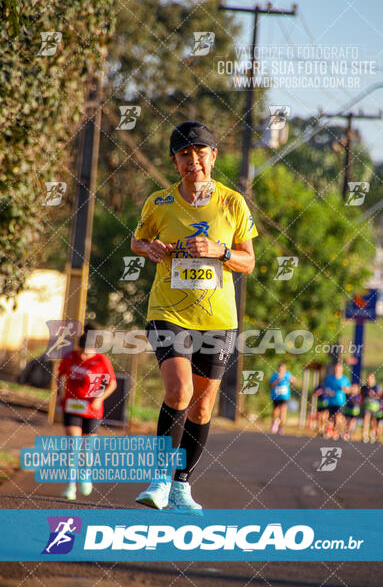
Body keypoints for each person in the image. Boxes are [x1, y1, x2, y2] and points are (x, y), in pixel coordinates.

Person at [131, 121, 258, 510]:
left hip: (218, 318)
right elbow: (138, 240)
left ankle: (181, 486)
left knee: (203, 407)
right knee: (180, 391)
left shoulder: (233, 202)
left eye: (200, 153)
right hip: (168, 311)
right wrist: (148, 249)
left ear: (213, 156)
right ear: (174, 161)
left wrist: (219, 252)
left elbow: (248, 262)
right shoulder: (160, 202)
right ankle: (159, 480)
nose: (193, 161)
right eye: (184, 154)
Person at [57, 323, 117, 500]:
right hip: (72, 407)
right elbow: (61, 376)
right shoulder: (70, 357)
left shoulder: (102, 360)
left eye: (87, 352)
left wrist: (100, 398)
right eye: (81, 351)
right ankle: (70, 486)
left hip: (92, 410)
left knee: (87, 448)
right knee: (73, 446)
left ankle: (85, 474)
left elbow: (112, 383)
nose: (83, 355)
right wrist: (61, 394)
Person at [323, 362, 351, 440]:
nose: (337, 370)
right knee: (331, 418)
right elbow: (324, 388)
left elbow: (349, 390)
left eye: (339, 369)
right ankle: (330, 431)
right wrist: (328, 392)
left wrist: (345, 389)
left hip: (341, 402)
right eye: (336, 369)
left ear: (341, 370)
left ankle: (337, 432)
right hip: (331, 401)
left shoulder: (345, 379)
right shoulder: (329, 378)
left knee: (338, 416)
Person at [269, 363, 296, 434]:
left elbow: (293, 381)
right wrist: (278, 379)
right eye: (280, 369)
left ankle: (281, 427)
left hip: (285, 396)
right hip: (276, 395)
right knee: (276, 410)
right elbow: (271, 385)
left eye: (283, 369)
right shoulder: (275, 375)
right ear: (278, 369)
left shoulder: (288, 374)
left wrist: (292, 381)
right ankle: (274, 423)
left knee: (283, 410)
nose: (282, 370)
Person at [361, 372, 381, 443]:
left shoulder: (377, 387)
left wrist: (374, 395)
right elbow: (362, 395)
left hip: (375, 406)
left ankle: (372, 434)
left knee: (373, 421)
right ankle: (364, 434)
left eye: (371, 378)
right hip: (366, 406)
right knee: (366, 417)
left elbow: (379, 395)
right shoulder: (364, 387)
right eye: (368, 378)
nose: (369, 380)